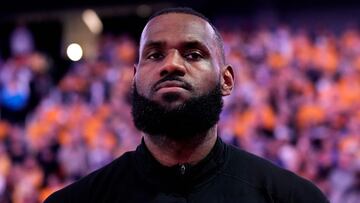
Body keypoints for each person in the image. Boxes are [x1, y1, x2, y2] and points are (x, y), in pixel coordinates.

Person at [44, 7, 329, 203]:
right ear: (134, 79)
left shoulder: (291, 197)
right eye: (154, 55)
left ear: (226, 80)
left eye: (193, 54)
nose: (171, 64)